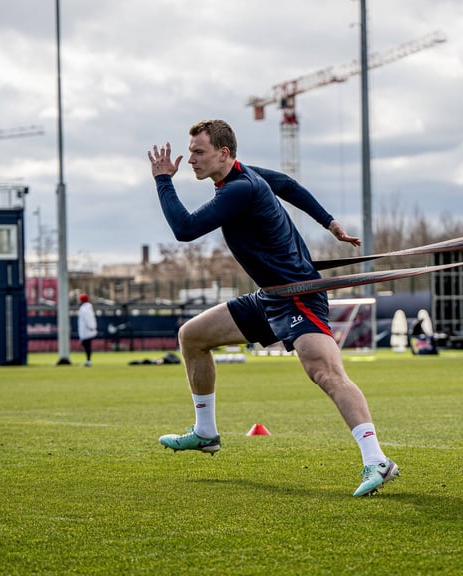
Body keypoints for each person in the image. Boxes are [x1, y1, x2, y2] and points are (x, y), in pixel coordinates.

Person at [147, 119, 399, 497]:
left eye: (199, 152)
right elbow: (288, 185)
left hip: (299, 295)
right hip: (269, 297)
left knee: (326, 374)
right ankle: (205, 432)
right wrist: (329, 223)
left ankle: (377, 459)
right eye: (191, 151)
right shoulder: (244, 175)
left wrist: (163, 180)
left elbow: (185, 229)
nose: (191, 160)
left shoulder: (239, 189)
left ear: (223, 153)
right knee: (192, 336)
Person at [77, 293, 98, 367]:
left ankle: (88, 361)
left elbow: (88, 319)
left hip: (87, 331)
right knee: (86, 345)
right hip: (86, 330)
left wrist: (91, 326)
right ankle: (88, 361)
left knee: (87, 345)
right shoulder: (86, 308)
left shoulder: (85, 309)